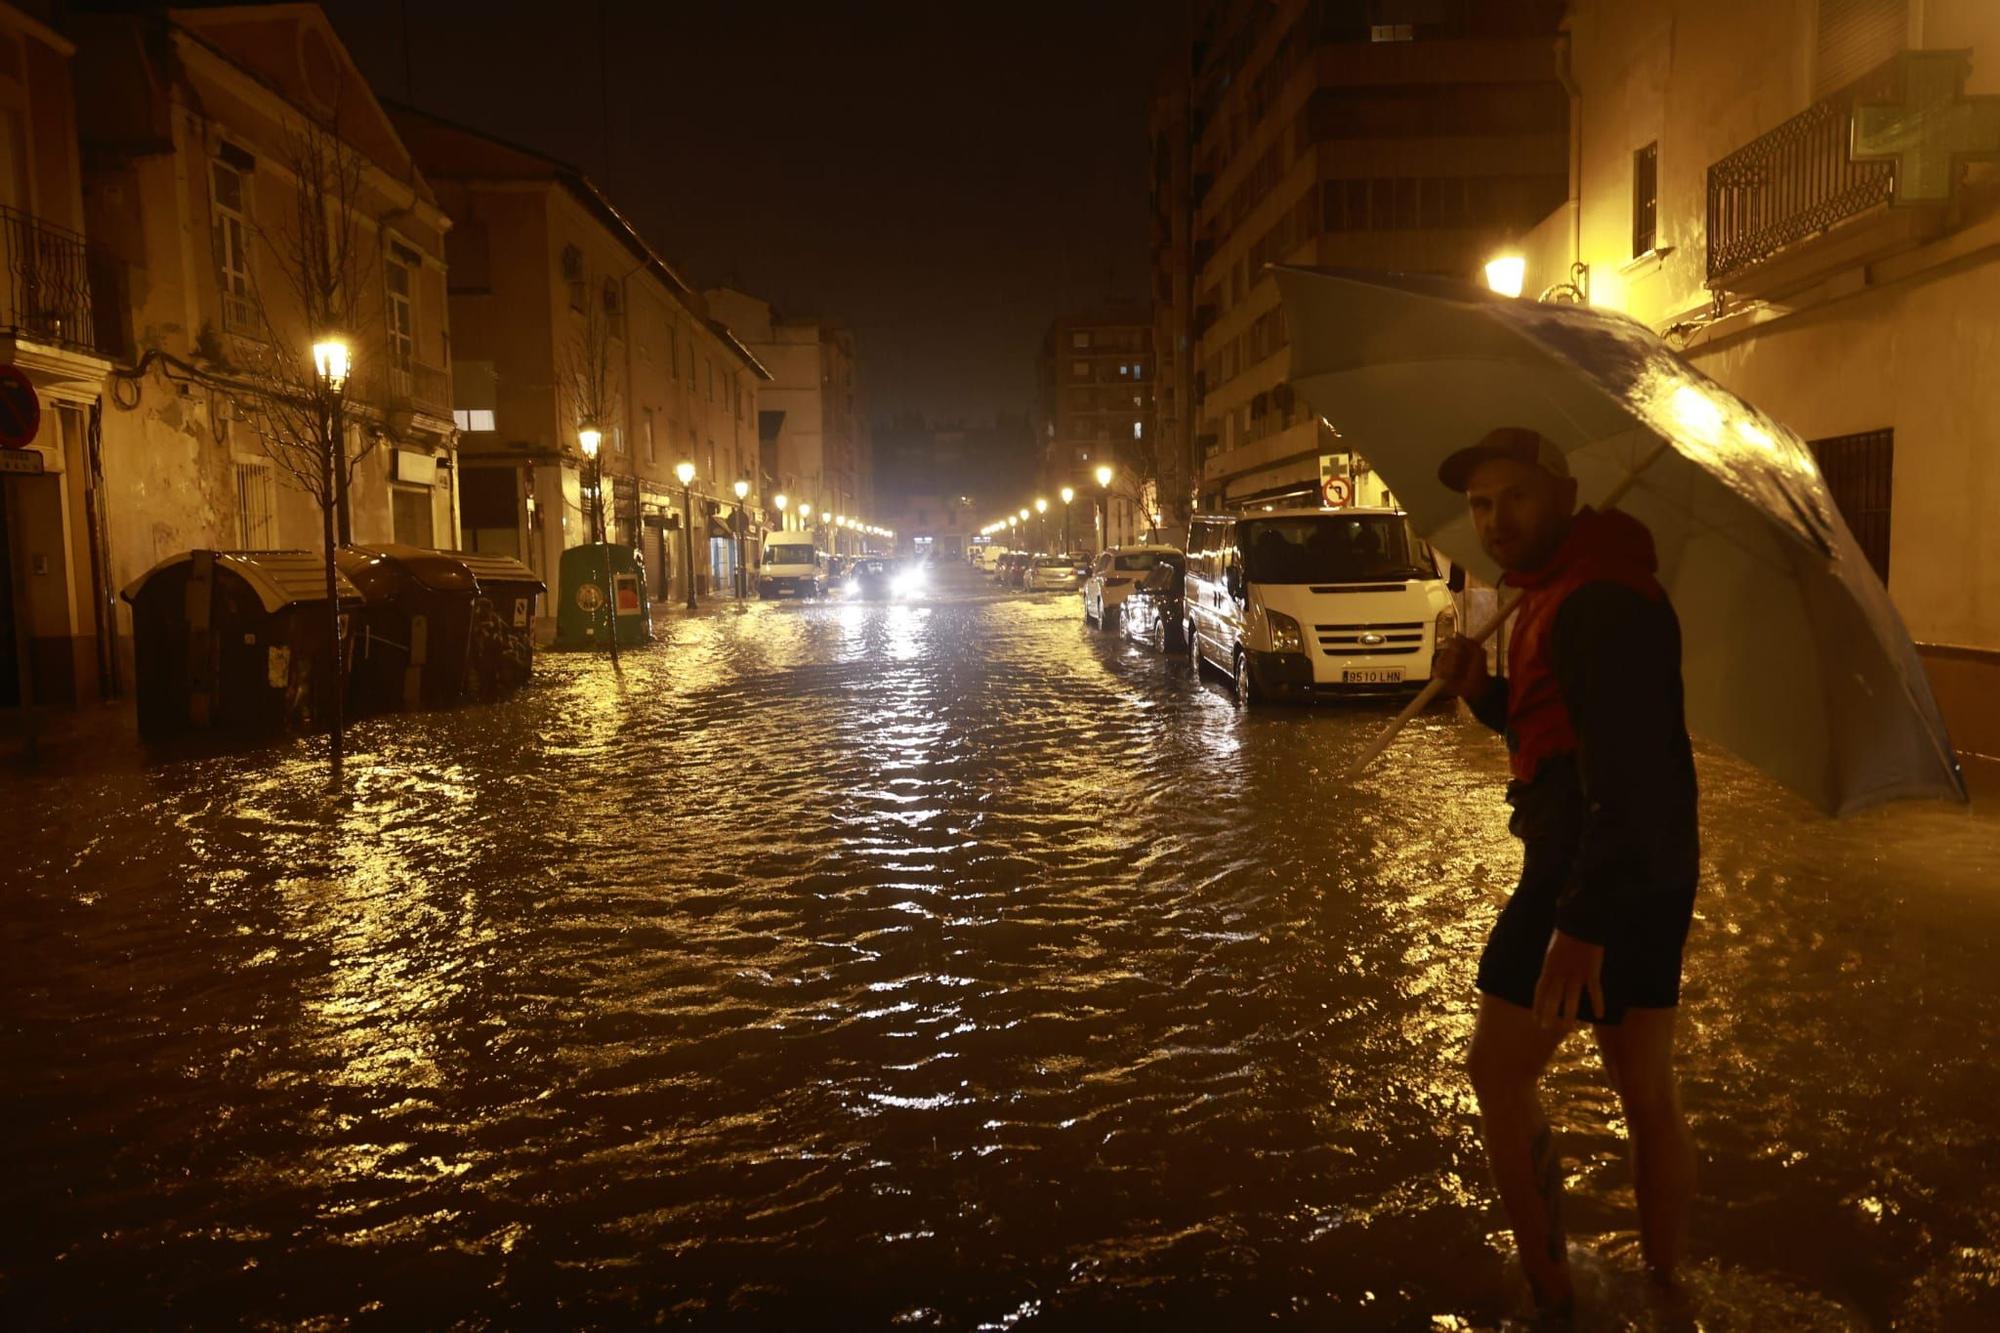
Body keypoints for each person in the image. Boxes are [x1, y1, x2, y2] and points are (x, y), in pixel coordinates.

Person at [1430, 426, 1700, 1317]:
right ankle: (1667, 1289)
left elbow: (1630, 774)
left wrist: (1580, 926)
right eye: (1479, 503)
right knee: (1646, 1091)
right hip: (1643, 867)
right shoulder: (1562, 591)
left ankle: (1551, 1294)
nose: (1494, 519)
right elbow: (1562, 734)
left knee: (1495, 1070)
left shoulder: (1597, 602)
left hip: (1592, 867)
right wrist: (1483, 694)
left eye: (1514, 497)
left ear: (1564, 492)